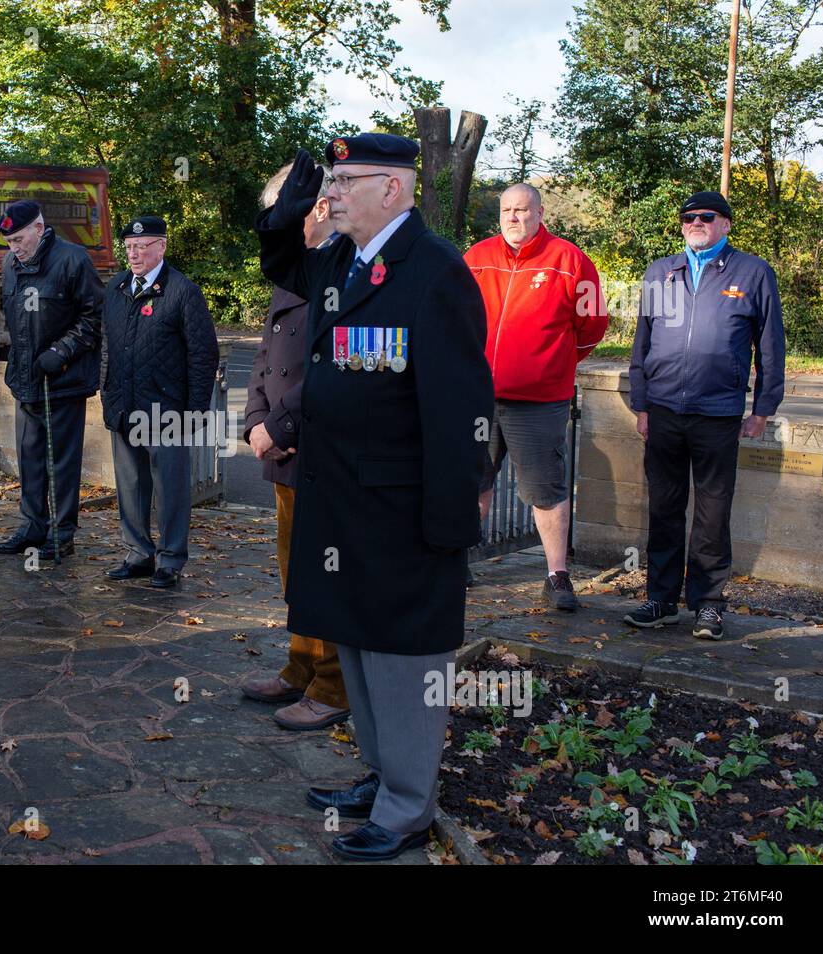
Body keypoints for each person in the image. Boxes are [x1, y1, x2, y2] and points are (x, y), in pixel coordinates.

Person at [256, 136, 492, 861]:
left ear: (393, 190)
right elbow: (280, 262)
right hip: (341, 502)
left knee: (404, 661)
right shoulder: (342, 261)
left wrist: (450, 523)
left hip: (400, 511)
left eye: (347, 180)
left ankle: (407, 809)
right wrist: (291, 203)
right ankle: (382, 775)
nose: (334, 192)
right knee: (356, 648)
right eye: (330, 179)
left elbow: (459, 410)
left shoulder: (436, 271)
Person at [625, 190, 785, 640]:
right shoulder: (661, 272)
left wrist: (763, 409)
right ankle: (660, 599)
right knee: (664, 507)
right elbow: (642, 343)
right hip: (664, 411)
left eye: (706, 216)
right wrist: (642, 404)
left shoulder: (752, 272)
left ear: (725, 224)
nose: (696, 222)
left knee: (713, 512)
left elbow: (770, 346)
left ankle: (709, 604)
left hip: (718, 412)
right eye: (688, 217)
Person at [239, 163, 351, 732]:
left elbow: (339, 364)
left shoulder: (347, 266)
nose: (286, 220)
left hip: (317, 447)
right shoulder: (294, 268)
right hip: (283, 448)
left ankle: (332, 684)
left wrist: (279, 427)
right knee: (294, 571)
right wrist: (256, 419)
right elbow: (267, 357)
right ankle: (301, 665)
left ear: (321, 207)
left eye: (291, 207)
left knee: (324, 572)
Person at [464, 183, 608, 610]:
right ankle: (458, 563)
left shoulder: (570, 260)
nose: (513, 217)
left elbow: (592, 325)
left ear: (540, 213)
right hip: (476, 397)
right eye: (506, 210)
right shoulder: (476, 258)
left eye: (522, 210)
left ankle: (557, 576)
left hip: (539, 400)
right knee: (472, 481)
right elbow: (449, 314)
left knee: (545, 489)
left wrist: (554, 363)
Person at [100, 215, 219, 589]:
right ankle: (137, 553)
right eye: (130, 247)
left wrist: (197, 409)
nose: (134, 254)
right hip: (124, 406)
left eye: (143, 246)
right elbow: (108, 346)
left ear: (162, 247)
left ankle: (169, 559)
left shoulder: (182, 291)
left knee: (170, 490)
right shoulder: (117, 287)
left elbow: (203, 354)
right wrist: (107, 394)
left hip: (166, 411)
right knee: (131, 486)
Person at [0, 200, 103, 560]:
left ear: (39, 228)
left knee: (61, 462)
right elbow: (13, 319)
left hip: (63, 380)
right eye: (9, 242)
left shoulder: (73, 260)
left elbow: (94, 316)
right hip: (26, 381)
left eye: (19, 239)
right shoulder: (11, 264)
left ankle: (62, 532)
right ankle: (32, 526)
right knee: (30, 458)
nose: (14, 248)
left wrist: (62, 351)